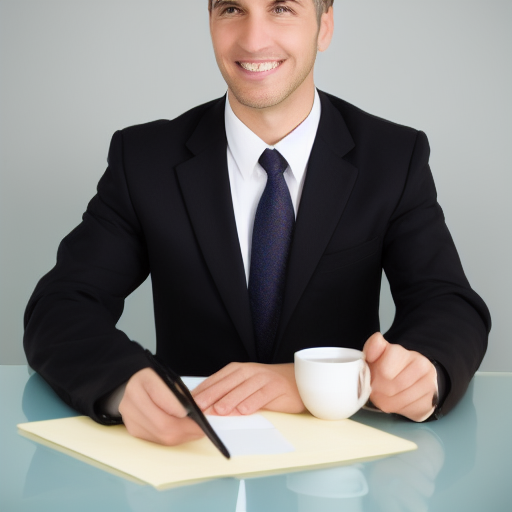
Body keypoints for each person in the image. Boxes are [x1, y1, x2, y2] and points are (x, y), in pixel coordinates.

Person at [24, 0, 491, 447]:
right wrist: (123, 384)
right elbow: (61, 305)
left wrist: (421, 374)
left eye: (282, 8)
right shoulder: (144, 160)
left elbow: (447, 303)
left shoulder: (392, 157)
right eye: (232, 9)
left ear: (324, 25)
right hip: (194, 454)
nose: (253, 38)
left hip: (344, 467)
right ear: (210, 21)